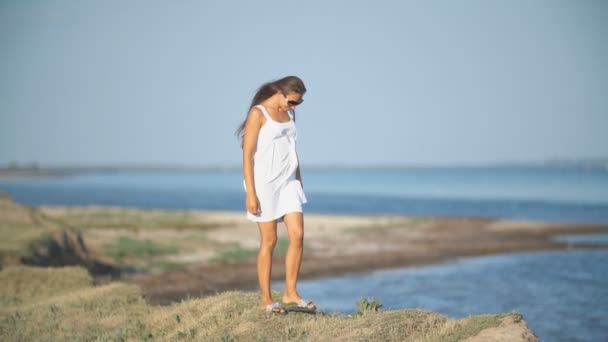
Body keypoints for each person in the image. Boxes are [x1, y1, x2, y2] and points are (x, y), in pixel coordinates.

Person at [236, 75, 316, 314]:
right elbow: (247, 154)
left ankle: (291, 293)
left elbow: (293, 150)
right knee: (269, 241)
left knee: (298, 235)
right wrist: (251, 193)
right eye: (292, 102)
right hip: (264, 184)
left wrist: (299, 180)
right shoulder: (258, 114)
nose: (294, 107)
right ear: (280, 93)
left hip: (288, 182)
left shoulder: (289, 114)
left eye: (298, 103)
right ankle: (266, 299)